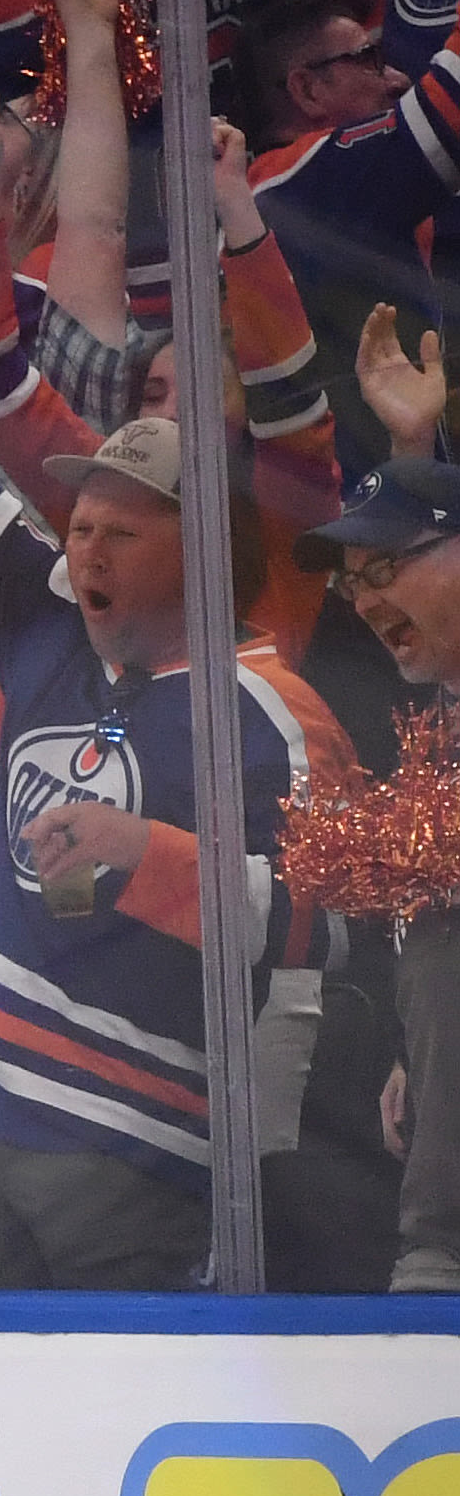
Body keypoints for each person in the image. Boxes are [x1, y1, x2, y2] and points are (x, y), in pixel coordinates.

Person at [0, 188, 332, 1290]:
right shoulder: (42, 617)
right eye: (77, 525)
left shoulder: (267, 708)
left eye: (120, 530)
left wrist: (146, 855)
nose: (85, 549)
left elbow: (326, 926)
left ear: (202, 547)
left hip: (140, 1145)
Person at [297, 460, 460, 1292]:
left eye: (385, 570)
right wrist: (420, 1055)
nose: (362, 601)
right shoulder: (439, 709)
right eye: (353, 582)